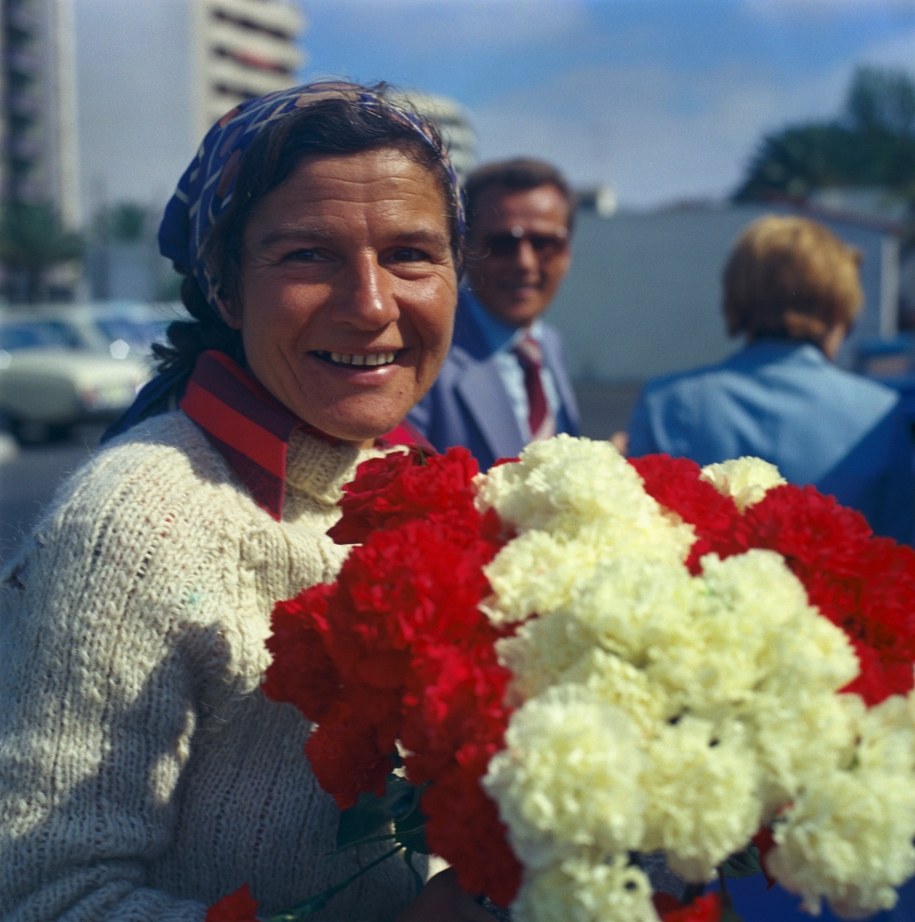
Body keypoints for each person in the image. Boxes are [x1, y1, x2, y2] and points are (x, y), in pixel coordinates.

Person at [0, 80, 495, 921]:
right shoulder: (137, 523)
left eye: (410, 254)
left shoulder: (439, 492)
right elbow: (45, 895)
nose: (372, 305)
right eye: (307, 255)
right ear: (226, 288)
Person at [625, 213, 915, 544]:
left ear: (737, 298)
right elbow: (900, 555)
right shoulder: (883, 414)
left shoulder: (665, 402)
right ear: (839, 308)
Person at [407, 157, 581, 470]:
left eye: (544, 243)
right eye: (502, 244)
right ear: (465, 250)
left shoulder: (549, 345)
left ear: (566, 254)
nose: (524, 263)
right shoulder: (421, 354)